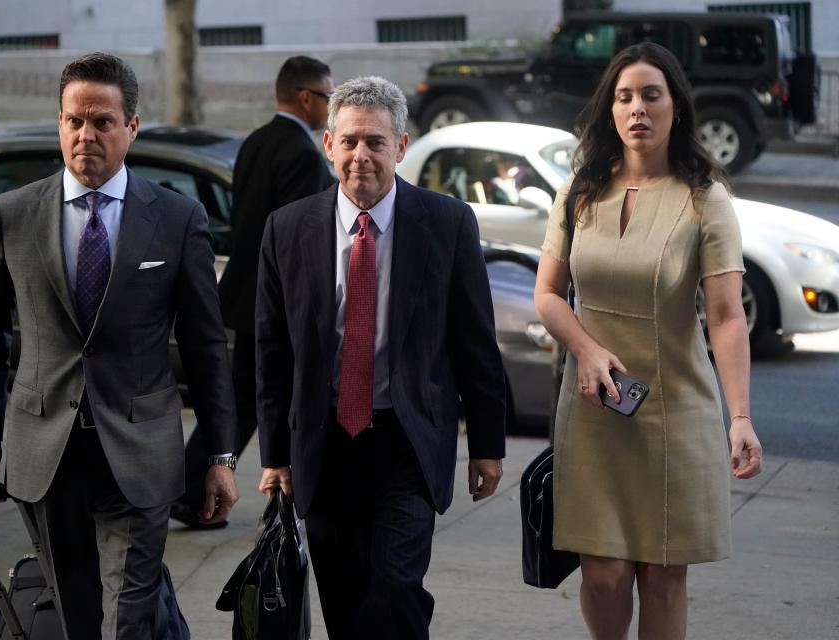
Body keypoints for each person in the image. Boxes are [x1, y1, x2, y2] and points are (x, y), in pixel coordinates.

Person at [0, 52, 239, 639]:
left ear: (131, 127)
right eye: (74, 121)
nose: (86, 134)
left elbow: (206, 347)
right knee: (75, 612)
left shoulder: (177, 217)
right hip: (44, 451)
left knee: (131, 614)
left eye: (103, 122)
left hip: (140, 448)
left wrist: (219, 456)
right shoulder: (12, 215)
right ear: (59, 123)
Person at [255, 76, 507, 639]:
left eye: (374, 142)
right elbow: (272, 353)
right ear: (328, 145)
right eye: (349, 142)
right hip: (324, 447)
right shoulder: (288, 229)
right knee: (344, 602)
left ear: (401, 144)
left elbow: (475, 343)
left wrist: (487, 446)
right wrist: (275, 453)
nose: (360, 156)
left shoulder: (446, 223)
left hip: (407, 443)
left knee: (395, 588)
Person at [533, 42, 763, 639]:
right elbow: (549, 296)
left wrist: (739, 416)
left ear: (676, 108)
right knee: (603, 576)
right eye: (624, 96)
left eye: (651, 95)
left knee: (662, 579)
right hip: (593, 410)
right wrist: (585, 347)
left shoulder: (705, 199)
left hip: (676, 408)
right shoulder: (579, 192)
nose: (637, 108)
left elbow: (726, 315)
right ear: (610, 110)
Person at [172, 55, 335, 529]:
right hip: (279, 304)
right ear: (306, 97)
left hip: (246, 296)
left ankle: (193, 492)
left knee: (245, 401)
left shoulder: (256, 143)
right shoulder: (302, 155)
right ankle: (265, 498)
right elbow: (298, 239)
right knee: (276, 403)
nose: (331, 105)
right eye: (328, 95)